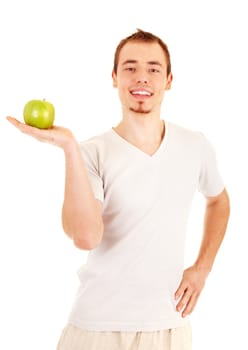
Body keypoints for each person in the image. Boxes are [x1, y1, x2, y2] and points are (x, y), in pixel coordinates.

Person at [7, 29, 230, 350]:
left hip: (169, 325)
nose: (142, 78)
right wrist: (69, 146)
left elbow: (219, 201)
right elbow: (85, 237)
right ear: (114, 77)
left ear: (169, 80)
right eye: (130, 68)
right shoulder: (90, 152)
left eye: (153, 69)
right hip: (97, 328)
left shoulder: (195, 145)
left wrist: (202, 268)